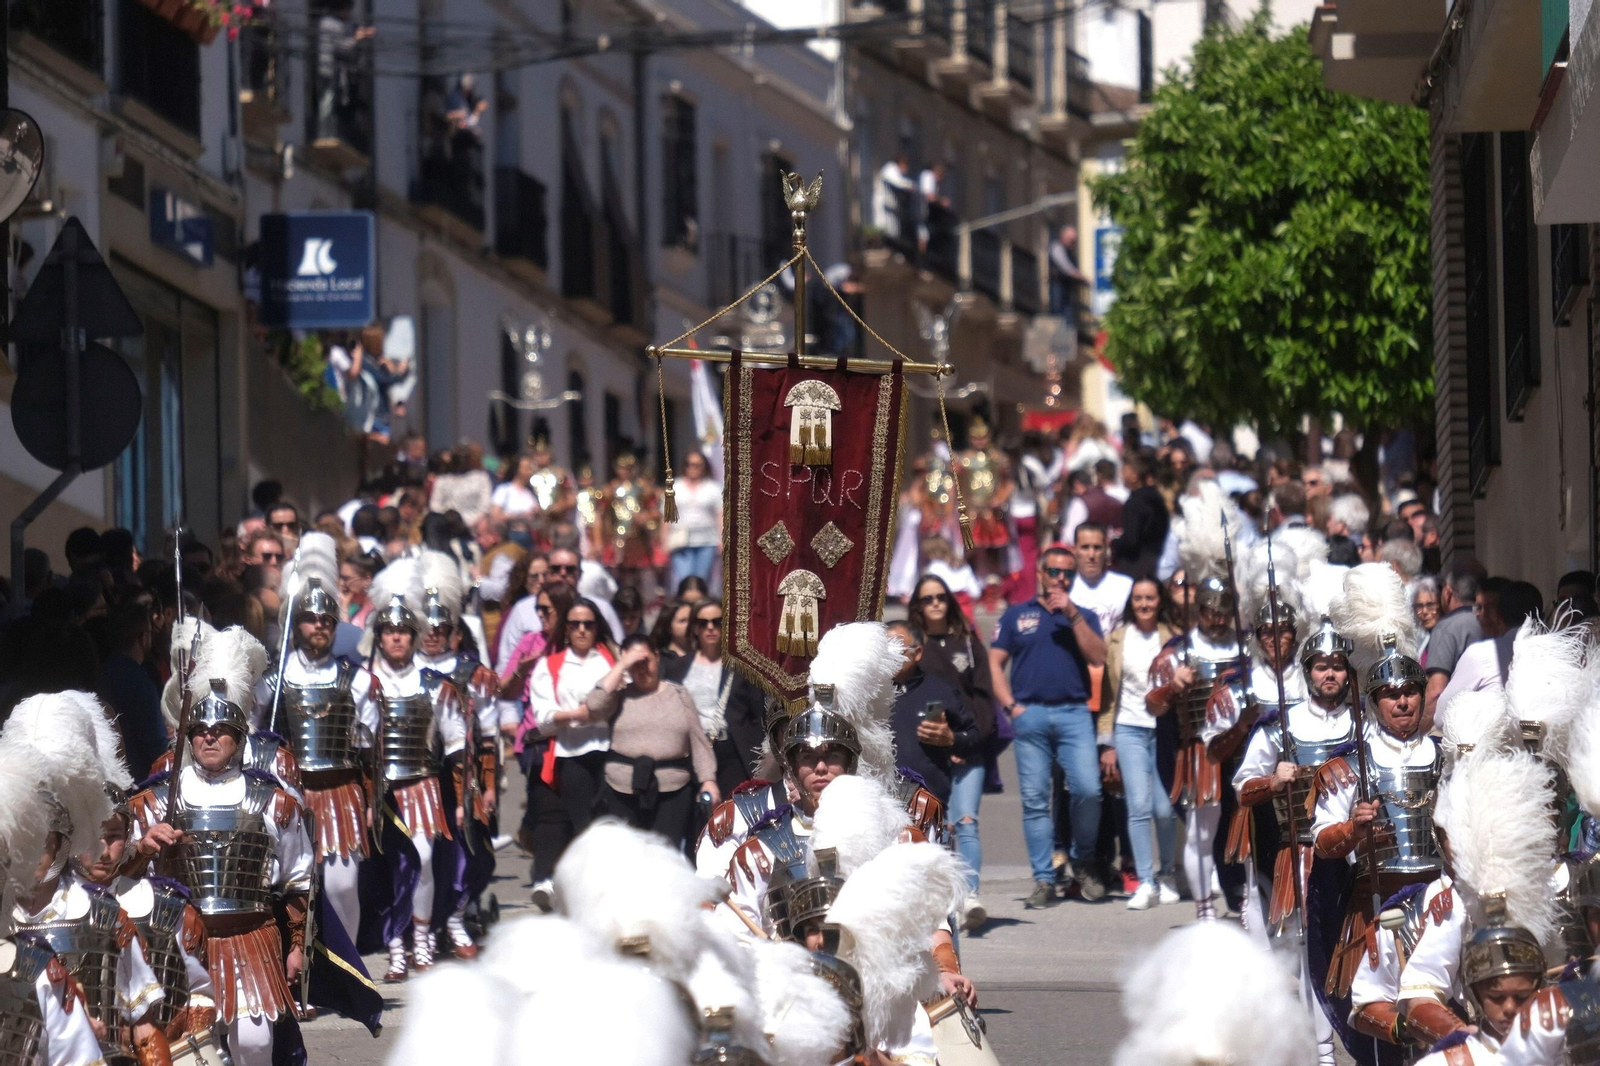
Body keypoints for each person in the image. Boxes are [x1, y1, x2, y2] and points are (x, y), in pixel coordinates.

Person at [127, 628, 313, 1066]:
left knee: (253, 1044)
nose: (209, 738)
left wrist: (296, 944)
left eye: (221, 730)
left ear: (239, 737)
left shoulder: (273, 802)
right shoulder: (154, 801)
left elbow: (296, 877)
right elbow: (115, 873)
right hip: (179, 939)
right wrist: (145, 847)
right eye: (201, 730)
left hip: (249, 937)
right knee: (192, 1050)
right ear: (188, 737)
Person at [6, 695, 173, 1066]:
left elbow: (143, 1028)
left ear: (64, 843)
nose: (30, 855)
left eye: (42, 842)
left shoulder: (105, 917)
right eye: (23, 842)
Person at [1313, 565, 1443, 1017]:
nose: (1402, 701)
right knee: (1380, 1012)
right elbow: (1323, 842)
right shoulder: (1350, 764)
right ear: (1373, 702)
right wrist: (1354, 826)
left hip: (1438, 902)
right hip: (1375, 902)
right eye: (1390, 694)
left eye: (1410, 690)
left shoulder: (1445, 755)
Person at [255, 535, 376, 949]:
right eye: (309, 618)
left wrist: (371, 799)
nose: (319, 625)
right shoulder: (275, 679)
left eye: (326, 619)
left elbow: (368, 749)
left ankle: (350, 971)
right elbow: (256, 735)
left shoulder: (355, 679)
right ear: (296, 622)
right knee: (296, 890)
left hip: (341, 792)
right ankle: (300, 972)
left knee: (343, 886)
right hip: (294, 791)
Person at [356, 558, 464, 981]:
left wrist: (460, 798)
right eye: (389, 630)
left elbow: (456, 745)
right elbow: (358, 745)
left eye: (403, 631)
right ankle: (395, 945)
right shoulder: (362, 682)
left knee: (421, 861)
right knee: (383, 870)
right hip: (380, 790)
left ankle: (421, 938)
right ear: (379, 636)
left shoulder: (436, 683)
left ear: (414, 635)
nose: (396, 637)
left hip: (421, 786)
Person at [990, 545, 1108, 907]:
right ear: (1040, 573)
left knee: (1089, 790)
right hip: (1032, 716)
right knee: (1036, 800)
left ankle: (1081, 859)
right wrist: (1011, 706)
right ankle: (1043, 878)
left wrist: (1071, 614)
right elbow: (994, 662)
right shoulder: (1016, 615)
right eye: (1054, 571)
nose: (1061, 578)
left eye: (1068, 573)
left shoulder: (1084, 615)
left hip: (1074, 713)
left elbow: (1099, 657)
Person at [908, 573, 997, 929]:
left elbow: (984, 700)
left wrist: (964, 740)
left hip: (970, 749)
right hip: (930, 754)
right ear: (917, 605)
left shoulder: (968, 644)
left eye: (941, 597)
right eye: (927, 599)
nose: (935, 604)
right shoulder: (914, 649)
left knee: (967, 821)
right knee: (936, 824)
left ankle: (970, 895)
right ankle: (942, 898)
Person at [586, 635, 719, 848]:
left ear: (657, 657)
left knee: (665, 853)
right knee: (628, 853)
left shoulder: (679, 694)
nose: (641, 669)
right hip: (622, 785)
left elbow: (698, 740)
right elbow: (593, 706)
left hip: (673, 787)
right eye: (634, 664)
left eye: (645, 661)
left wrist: (708, 780)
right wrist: (621, 665)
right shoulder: (618, 696)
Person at [1097, 577, 1180, 912]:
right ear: (1131, 603)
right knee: (1138, 806)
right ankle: (1146, 881)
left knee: (1164, 808)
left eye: (1150, 598)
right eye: (1138, 599)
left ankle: (1168, 874)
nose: (1144, 604)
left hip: (1163, 730)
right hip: (1129, 728)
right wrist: (1107, 742)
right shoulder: (1118, 638)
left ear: (1159, 601)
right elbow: (1107, 695)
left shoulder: (1171, 636)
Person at [528, 596, 617, 876]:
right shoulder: (550, 666)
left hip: (609, 751)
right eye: (575, 624)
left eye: (588, 624)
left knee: (608, 825)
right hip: (571, 754)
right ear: (565, 628)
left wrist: (582, 713)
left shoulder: (609, 659)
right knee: (582, 825)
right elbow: (543, 718)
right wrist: (583, 714)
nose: (581, 630)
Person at [661, 599, 765, 798]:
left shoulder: (742, 667)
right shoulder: (677, 667)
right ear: (694, 629)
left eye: (717, 622)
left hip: (731, 751)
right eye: (703, 623)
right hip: (688, 753)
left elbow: (759, 712)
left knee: (730, 818)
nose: (710, 628)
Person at [884, 620, 979, 806]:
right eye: (884, 651)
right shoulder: (869, 695)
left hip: (928, 801)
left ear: (917, 653)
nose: (889, 656)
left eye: (896, 649)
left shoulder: (939, 691)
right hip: (880, 802)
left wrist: (951, 739)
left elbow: (974, 737)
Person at [98, 601, 169, 776]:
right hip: (140, 779)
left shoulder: (102, 672)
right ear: (143, 638)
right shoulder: (138, 681)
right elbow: (157, 745)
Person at [1424, 560, 1487, 726]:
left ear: (1448, 591)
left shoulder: (1446, 628)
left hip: (1461, 725)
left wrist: (1419, 734)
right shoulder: (1490, 622)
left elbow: (1436, 691)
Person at [667, 450, 721, 590]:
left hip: (707, 542)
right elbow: (666, 516)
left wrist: (722, 540)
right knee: (683, 581)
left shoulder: (713, 488)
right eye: (690, 464)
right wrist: (663, 541)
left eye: (698, 465)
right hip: (680, 542)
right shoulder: (675, 486)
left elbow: (719, 515)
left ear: (704, 467)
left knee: (702, 582)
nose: (693, 468)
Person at [1111, 451, 1170, 579]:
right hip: (1156, 561)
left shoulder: (1135, 503)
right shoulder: (1157, 499)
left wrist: (1115, 542)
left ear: (1134, 475)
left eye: (1124, 471)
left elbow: (1132, 541)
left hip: (1136, 567)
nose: (1121, 475)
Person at [1048, 224, 1088, 319]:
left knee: (1067, 311)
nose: (1072, 242)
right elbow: (1066, 267)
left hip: (1066, 285)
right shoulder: (1057, 248)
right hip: (1058, 284)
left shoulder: (1069, 250)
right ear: (1064, 237)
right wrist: (1081, 277)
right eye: (1071, 239)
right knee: (1059, 312)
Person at [649, 598, 696, 665]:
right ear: (668, 627)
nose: (689, 625)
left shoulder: (702, 654)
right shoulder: (660, 658)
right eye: (682, 621)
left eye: (692, 619)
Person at [491, 454, 540, 519]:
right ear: (517, 469)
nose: (530, 471)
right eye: (527, 468)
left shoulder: (530, 493)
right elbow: (494, 516)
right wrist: (519, 516)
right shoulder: (504, 490)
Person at [1412, 575, 1440, 659]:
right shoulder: (1418, 639)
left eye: (1430, 605)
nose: (1424, 611)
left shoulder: (1446, 638)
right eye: (1419, 606)